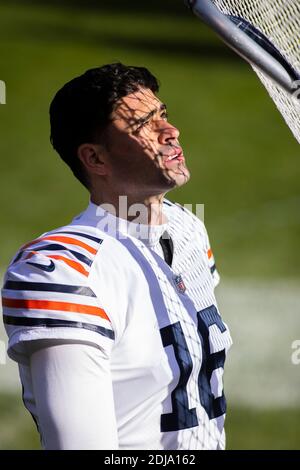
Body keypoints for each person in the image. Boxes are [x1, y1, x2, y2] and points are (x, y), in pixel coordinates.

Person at [2, 63, 232, 450]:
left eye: (163, 114)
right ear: (95, 159)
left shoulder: (187, 230)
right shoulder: (62, 270)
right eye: (143, 124)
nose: (170, 132)